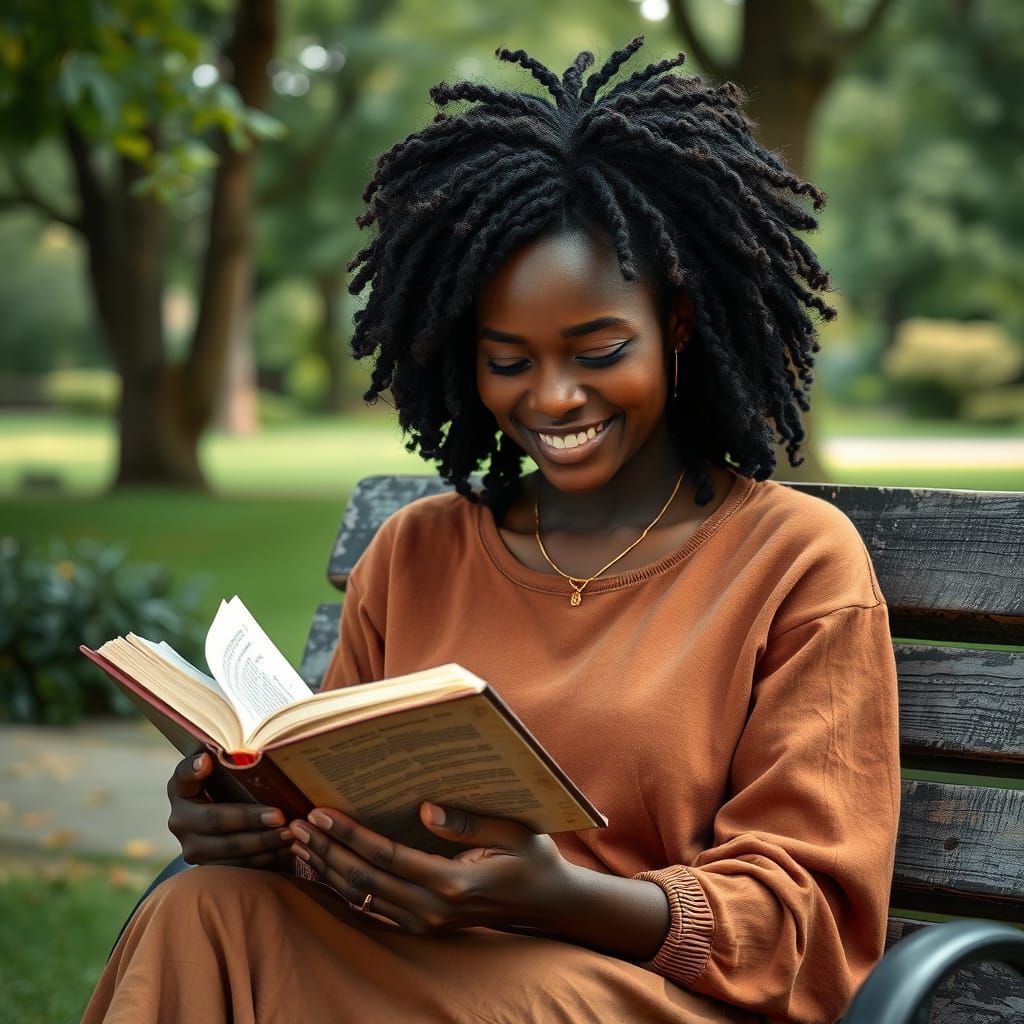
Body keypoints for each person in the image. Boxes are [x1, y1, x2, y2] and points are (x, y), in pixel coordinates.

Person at [83, 37, 899, 1024]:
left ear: (677, 327)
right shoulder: (419, 551)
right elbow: (331, 799)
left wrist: (562, 897)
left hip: (637, 988)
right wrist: (249, 821)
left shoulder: (794, 562)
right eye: (507, 359)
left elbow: (805, 918)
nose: (552, 396)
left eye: (597, 350)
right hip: (422, 958)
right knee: (200, 911)